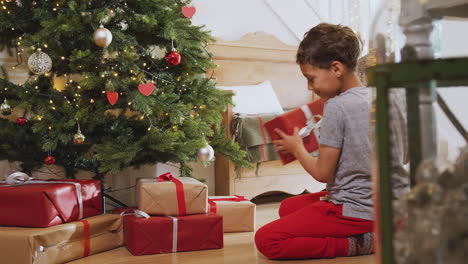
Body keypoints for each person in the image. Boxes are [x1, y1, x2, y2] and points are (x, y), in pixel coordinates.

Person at [255, 23, 382, 259]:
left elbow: (322, 174)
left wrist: (298, 148)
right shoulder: (378, 96)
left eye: (311, 78)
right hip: (381, 204)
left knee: (267, 240)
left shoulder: (336, 105)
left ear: (336, 69)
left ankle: (360, 244)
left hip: (352, 209)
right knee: (287, 207)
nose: (309, 87)